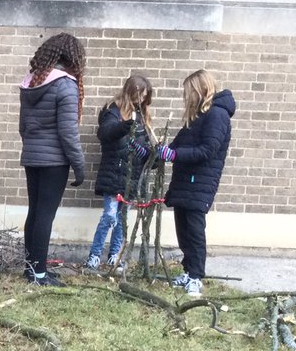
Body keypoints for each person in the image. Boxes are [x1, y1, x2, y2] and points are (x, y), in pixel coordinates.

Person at [158, 70, 237, 297]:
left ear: (201, 90)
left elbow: (207, 150)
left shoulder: (217, 115)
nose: (187, 97)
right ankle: (187, 270)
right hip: (185, 181)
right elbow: (176, 145)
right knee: (183, 229)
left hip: (199, 182)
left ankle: (196, 277)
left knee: (194, 231)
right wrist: (158, 153)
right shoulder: (197, 117)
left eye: (189, 92)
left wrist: (174, 155)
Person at [19, 32, 88, 285]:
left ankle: (31, 269)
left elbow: (23, 126)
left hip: (33, 157)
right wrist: (79, 167)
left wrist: (33, 149)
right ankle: (39, 274)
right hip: (54, 161)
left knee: (35, 213)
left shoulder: (32, 81)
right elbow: (68, 132)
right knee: (45, 215)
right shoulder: (66, 85)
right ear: (72, 57)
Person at [88, 74, 156, 270]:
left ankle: (114, 256)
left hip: (131, 178)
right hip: (113, 174)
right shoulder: (113, 111)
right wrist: (125, 126)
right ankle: (94, 255)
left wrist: (150, 155)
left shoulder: (142, 117)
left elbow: (146, 148)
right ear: (131, 91)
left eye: (145, 96)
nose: (142, 100)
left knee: (122, 219)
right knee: (110, 216)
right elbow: (105, 133)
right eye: (140, 95)